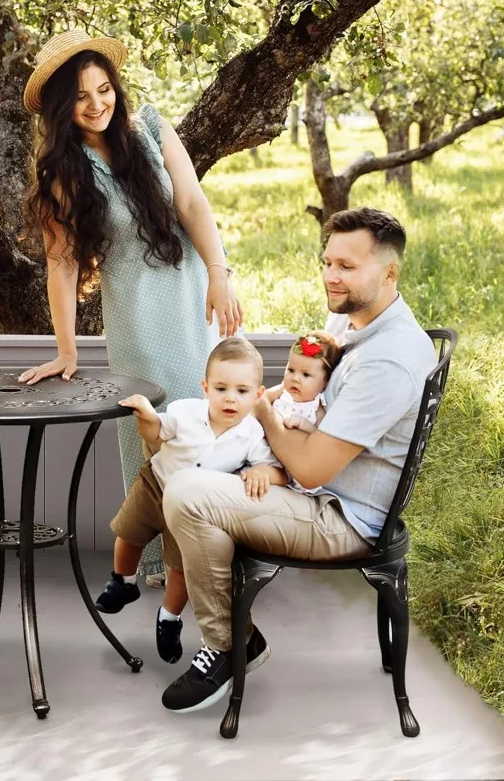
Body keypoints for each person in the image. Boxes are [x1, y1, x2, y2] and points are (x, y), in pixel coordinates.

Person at [160, 207, 437, 713]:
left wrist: (263, 418)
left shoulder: (389, 357)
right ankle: (219, 630)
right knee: (168, 474)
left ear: (389, 272)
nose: (331, 275)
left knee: (186, 491)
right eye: (327, 261)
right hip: (309, 488)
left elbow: (310, 468)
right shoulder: (351, 319)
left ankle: (228, 645)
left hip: (339, 515)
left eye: (347, 266)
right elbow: (303, 395)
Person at [17, 29, 242, 579]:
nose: (97, 105)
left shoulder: (153, 131)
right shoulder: (63, 174)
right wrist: (66, 351)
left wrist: (220, 274)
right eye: (81, 97)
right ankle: (171, 562)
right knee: (158, 430)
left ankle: (228, 542)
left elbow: (191, 201)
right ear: (60, 109)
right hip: (138, 320)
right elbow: (63, 263)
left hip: (195, 300)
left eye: (104, 89)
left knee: (217, 419)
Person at [94, 338, 284, 664]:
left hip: (192, 508)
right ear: (205, 388)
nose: (229, 398)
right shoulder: (186, 411)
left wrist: (265, 472)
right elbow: (156, 433)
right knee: (128, 533)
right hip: (156, 486)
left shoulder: (252, 435)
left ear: (256, 395)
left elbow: (278, 471)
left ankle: (169, 618)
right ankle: (123, 581)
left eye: (241, 391)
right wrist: (147, 415)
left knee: (180, 568)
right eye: (221, 388)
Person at [267, 331, 342, 495]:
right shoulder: (283, 390)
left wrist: (304, 424)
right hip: (265, 450)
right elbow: (263, 399)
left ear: (325, 382)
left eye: (306, 374)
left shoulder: (317, 408)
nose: (295, 378)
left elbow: (320, 438)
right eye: (291, 369)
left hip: (289, 466)